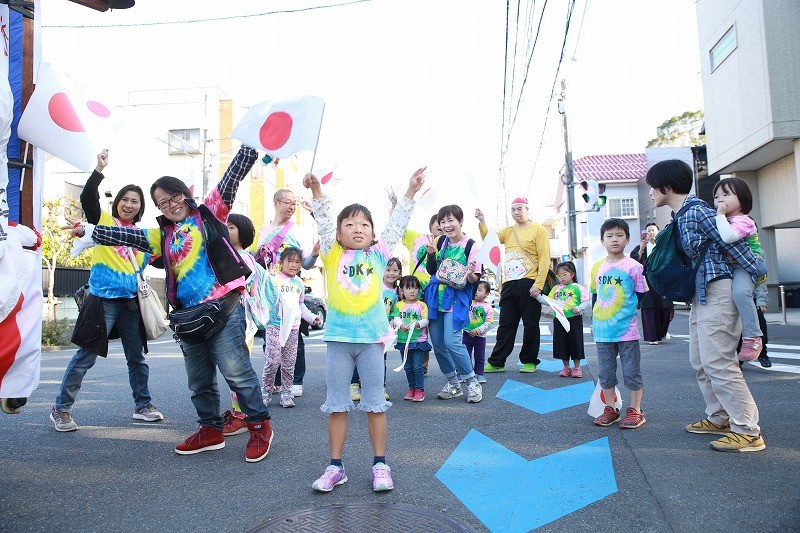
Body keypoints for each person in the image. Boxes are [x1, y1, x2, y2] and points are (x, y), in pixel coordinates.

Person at [82, 145, 274, 462]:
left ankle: (259, 427)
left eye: (173, 197)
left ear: (184, 194)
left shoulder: (209, 212)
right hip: (188, 316)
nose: (169, 205)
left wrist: (249, 146)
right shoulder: (162, 234)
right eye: (161, 202)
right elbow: (126, 236)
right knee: (198, 380)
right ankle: (211, 431)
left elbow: (233, 177)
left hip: (223, 307)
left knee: (237, 373)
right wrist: (90, 231)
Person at [305, 165, 426, 493]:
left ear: (372, 232)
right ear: (340, 232)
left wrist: (411, 191)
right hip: (339, 342)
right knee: (337, 405)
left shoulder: (378, 254)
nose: (357, 228)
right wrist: (317, 193)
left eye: (364, 224)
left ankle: (380, 464)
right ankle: (335, 467)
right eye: (350, 224)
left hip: (373, 342)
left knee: (375, 402)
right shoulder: (331, 255)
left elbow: (398, 225)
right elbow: (324, 221)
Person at [646, 159, 768, 452]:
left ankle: (747, 430)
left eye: (653, 186)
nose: (650, 192)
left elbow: (736, 247)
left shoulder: (698, 212)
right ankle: (719, 416)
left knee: (719, 362)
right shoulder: (681, 215)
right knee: (700, 360)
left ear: (666, 186)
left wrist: (758, 278)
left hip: (719, 290)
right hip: (701, 294)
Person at [51, 150, 163, 432]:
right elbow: (88, 197)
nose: (128, 204)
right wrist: (99, 170)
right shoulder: (103, 221)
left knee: (136, 358)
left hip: (131, 303)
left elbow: (160, 261)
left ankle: (143, 405)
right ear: (118, 203)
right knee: (85, 357)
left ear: (140, 208)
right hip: (102, 300)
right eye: (125, 199)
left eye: (134, 201)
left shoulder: (141, 236)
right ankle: (61, 409)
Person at [255, 189, 319, 398]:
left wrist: (315, 254)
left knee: (295, 339)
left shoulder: (298, 231)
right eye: (288, 202)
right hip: (271, 294)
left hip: (291, 291)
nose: (292, 207)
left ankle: (294, 381)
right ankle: (272, 381)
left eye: (295, 203)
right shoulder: (264, 231)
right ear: (276, 202)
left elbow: (307, 264)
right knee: (271, 340)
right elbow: (259, 264)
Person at [475, 197, 551, 373]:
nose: (516, 213)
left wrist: (538, 284)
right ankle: (497, 362)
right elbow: (490, 240)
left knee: (531, 324)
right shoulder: (509, 231)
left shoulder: (538, 229)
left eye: (520, 209)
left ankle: (529, 361)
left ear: (527, 209)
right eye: (513, 210)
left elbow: (545, 258)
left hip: (529, 283)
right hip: (509, 283)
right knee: (506, 324)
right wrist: (482, 221)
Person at [591, 219, 649, 429]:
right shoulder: (598, 267)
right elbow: (596, 296)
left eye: (619, 235)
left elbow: (641, 294)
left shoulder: (635, 266)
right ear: (602, 241)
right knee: (606, 372)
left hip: (627, 331)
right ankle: (611, 409)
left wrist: (624, 311)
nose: (614, 239)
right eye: (609, 236)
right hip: (603, 330)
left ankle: (635, 410)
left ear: (627, 239)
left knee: (631, 372)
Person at [424, 204, 483, 403]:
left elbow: (475, 279)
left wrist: (470, 274)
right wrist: (431, 254)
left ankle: (472, 382)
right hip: (436, 298)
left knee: (452, 342)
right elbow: (433, 271)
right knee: (439, 344)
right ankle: (453, 383)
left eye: (451, 221)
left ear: (460, 222)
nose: (447, 225)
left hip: (457, 299)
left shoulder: (471, 245)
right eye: (443, 222)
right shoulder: (441, 242)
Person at [221, 213, 267, 436]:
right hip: (235, 318)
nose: (225, 230)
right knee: (235, 368)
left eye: (230, 227)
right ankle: (240, 412)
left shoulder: (242, 258)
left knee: (237, 369)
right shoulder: (238, 255)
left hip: (240, 319)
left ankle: (242, 415)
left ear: (243, 233)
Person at [260, 247, 321, 408]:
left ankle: (286, 393)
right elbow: (265, 299)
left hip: (293, 328)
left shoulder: (299, 283)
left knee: (289, 362)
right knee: (272, 361)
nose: (294, 265)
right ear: (281, 261)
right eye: (290, 261)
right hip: (274, 326)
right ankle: (265, 391)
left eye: (297, 262)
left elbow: (300, 306)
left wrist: (312, 317)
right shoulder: (274, 279)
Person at [713, 177, 766, 361]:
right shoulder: (723, 220)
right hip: (731, 266)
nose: (720, 199)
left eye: (726, 194)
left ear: (742, 199)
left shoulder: (744, 221)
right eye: (717, 196)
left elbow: (729, 237)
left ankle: (753, 336)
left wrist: (720, 215)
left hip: (747, 265)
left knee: (741, 294)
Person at [350, 257, 401, 401]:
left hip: (382, 331)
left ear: (399, 273)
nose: (391, 273)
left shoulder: (397, 292)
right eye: (388, 269)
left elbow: (394, 311)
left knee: (380, 359)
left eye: (395, 270)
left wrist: (392, 320)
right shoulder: (375, 285)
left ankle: (380, 387)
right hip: (367, 327)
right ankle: (354, 385)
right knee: (359, 357)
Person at [630, 223, 674, 345]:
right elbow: (634, 263)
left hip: (662, 282)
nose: (651, 233)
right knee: (649, 309)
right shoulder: (642, 247)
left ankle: (662, 332)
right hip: (647, 282)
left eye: (653, 230)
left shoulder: (664, 246)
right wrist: (640, 250)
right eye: (648, 230)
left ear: (658, 232)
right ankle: (652, 337)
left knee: (666, 309)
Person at [547, 261, 590, 378]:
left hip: (574, 319)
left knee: (576, 342)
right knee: (561, 343)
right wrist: (537, 296)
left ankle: (577, 368)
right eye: (559, 276)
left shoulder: (578, 287)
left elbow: (586, 301)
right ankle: (566, 367)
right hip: (559, 319)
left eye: (564, 275)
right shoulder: (556, 288)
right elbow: (548, 301)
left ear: (572, 274)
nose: (561, 278)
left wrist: (579, 308)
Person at [391, 275, 431, 402]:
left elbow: (426, 319)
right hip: (404, 341)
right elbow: (396, 318)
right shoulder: (398, 305)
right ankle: (412, 388)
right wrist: (401, 325)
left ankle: (420, 390)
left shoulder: (422, 305)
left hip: (418, 341)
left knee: (417, 366)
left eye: (415, 288)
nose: (412, 291)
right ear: (401, 291)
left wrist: (419, 324)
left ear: (419, 289)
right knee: (407, 366)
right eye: (408, 288)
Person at [462, 281, 494, 384]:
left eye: (480, 290)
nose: (476, 292)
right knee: (465, 355)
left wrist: (478, 330)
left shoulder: (488, 307)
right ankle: (467, 373)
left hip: (480, 337)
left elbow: (489, 322)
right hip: (467, 334)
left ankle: (479, 374)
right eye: (475, 289)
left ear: (486, 293)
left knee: (479, 357)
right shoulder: (469, 302)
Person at [739, 284, 771, 368]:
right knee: (736, 332)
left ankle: (762, 354)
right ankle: (738, 360)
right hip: (733, 301)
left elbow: (760, 282)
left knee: (759, 328)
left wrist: (761, 301)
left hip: (751, 300)